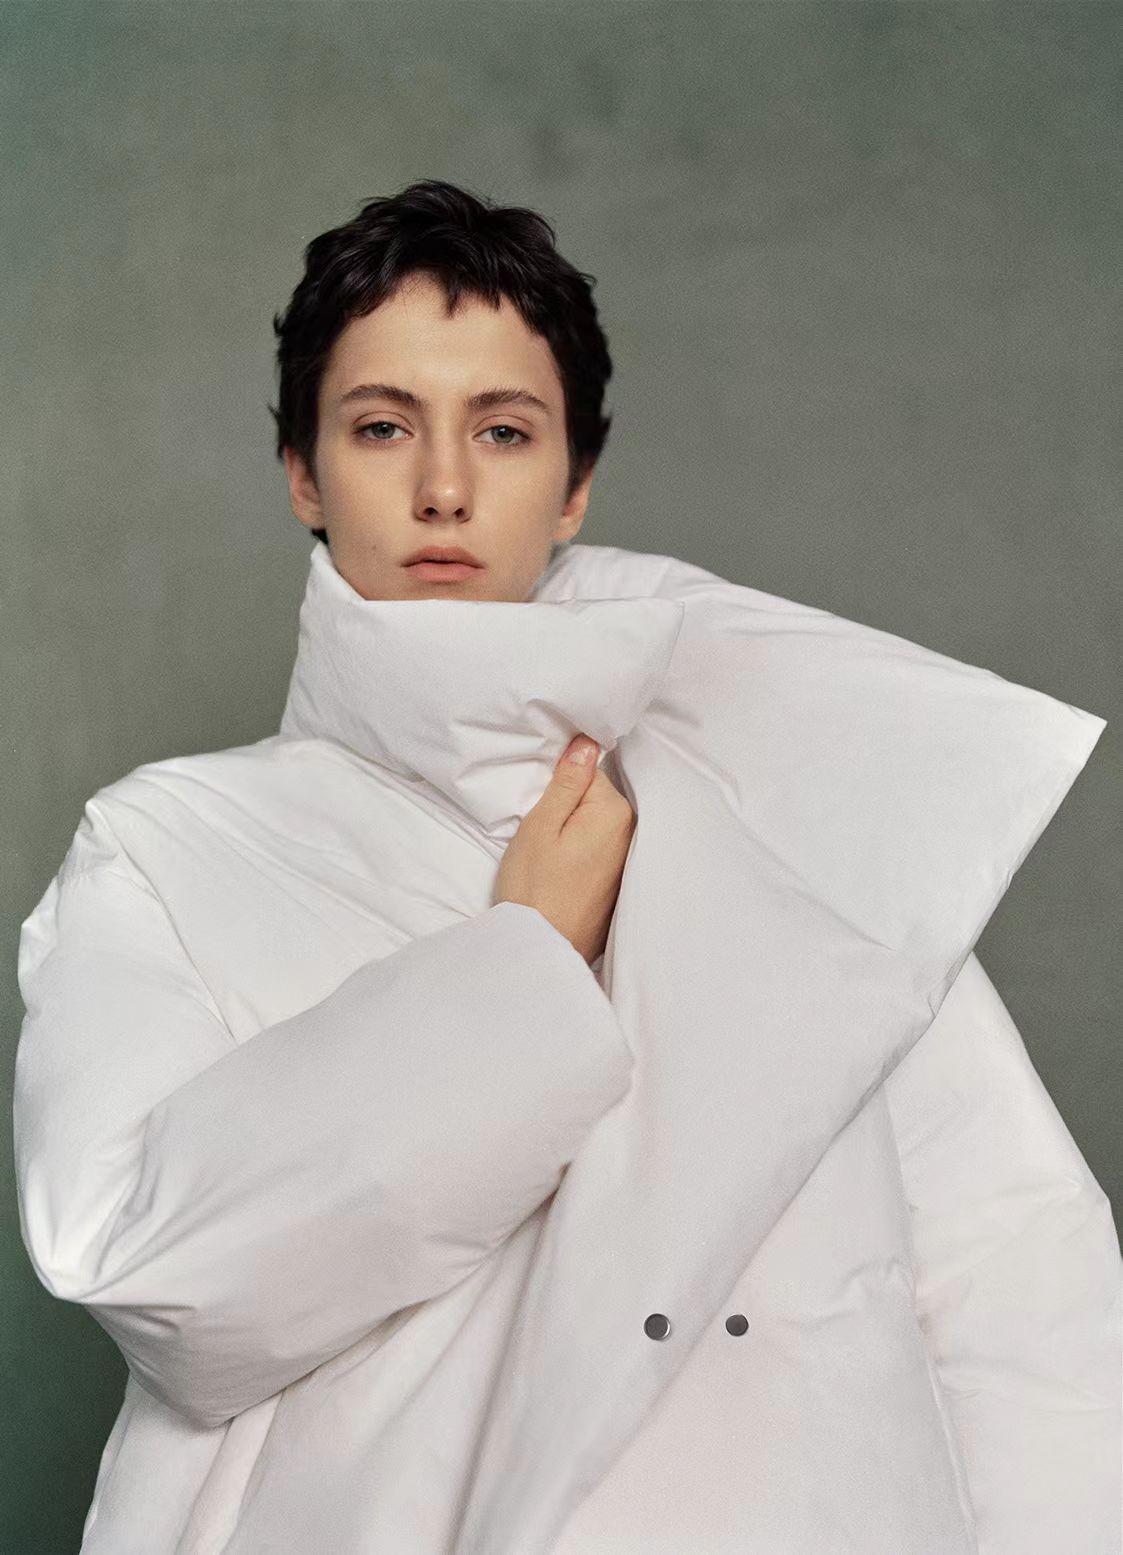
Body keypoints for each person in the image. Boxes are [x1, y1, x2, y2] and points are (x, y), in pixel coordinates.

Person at [13, 180, 1118, 1555]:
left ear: (575, 484)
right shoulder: (167, 849)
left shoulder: (776, 808)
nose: (444, 487)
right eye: (381, 426)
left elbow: (1018, 1288)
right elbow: (152, 1273)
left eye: (504, 430)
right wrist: (522, 966)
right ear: (302, 472)